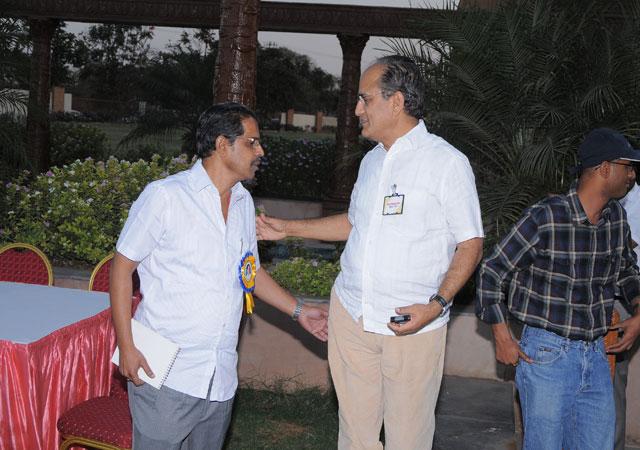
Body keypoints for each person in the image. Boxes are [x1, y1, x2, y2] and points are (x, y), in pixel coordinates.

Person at [257, 55, 484, 450]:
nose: (357, 110)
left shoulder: (446, 163)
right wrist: (289, 228)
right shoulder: (371, 161)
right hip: (352, 316)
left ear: (396, 102)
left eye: (365, 99)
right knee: (355, 437)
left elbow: (471, 242)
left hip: (410, 325)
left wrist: (436, 304)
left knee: (407, 440)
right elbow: (356, 223)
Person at [110, 102, 329, 450]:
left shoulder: (243, 202)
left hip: (220, 377)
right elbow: (121, 268)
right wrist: (127, 346)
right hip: (164, 372)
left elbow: (250, 272)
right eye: (252, 142)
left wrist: (299, 310)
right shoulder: (166, 197)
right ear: (222, 144)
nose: (261, 151)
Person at [476, 127, 640, 450]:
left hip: (596, 355)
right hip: (547, 356)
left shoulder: (616, 218)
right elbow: (492, 271)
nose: (633, 175)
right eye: (627, 166)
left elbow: (626, 272)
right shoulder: (547, 216)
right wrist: (502, 335)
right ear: (604, 169)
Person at [615, 180, 640, 450]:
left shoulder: (635, 203)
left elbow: (624, 252)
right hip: (592, 299)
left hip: (624, 302)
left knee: (612, 382)